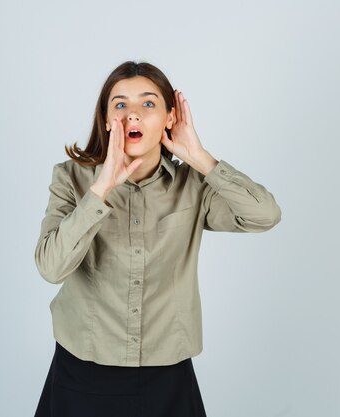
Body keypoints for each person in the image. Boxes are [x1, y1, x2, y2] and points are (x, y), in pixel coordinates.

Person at [33, 60, 282, 417]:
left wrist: (199, 157)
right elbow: (50, 267)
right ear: (106, 119)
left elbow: (265, 215)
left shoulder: (194, 185)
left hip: (167, 374)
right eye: (120, 104)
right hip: (81, 371)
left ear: (170, 117)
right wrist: (101, 189)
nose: (133, 114)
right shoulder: (71, 178)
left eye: (148, 103)